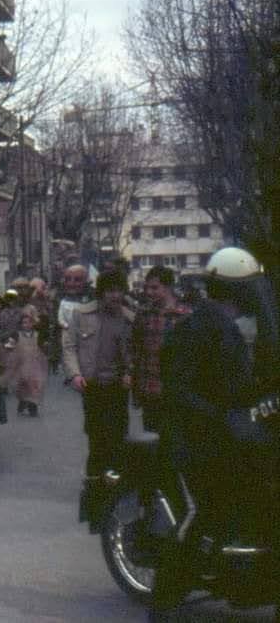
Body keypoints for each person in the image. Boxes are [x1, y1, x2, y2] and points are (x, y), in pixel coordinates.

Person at [152, 247, 280, 615]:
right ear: (230, 290)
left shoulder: (242, 325)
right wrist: (220, 416)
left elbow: (244, 385)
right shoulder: (196, 328)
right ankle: (165, 604)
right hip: (193, 440)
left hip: (232, 437)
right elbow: (179, 390)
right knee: (199, 514)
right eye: (246, 288)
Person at [62, 269, 133, 518]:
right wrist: (75, 374)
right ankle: (94, 494)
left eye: (119, 291)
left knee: (119, 437)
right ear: (101, 292)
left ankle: (117, 490)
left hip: (116, 387)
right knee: (96, 437)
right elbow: (69, 346)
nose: (116, 296)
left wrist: (129, 373)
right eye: (111, 291)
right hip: (92, 387)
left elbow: (133, 353)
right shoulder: (81, 314)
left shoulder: (127, 319)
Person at [129, 266, 191, 432]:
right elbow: (136, 351)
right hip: (149, 389)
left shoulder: (185, 315)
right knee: (152, 440)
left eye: (154, 287)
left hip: (177, 391)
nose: (149, 292)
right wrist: (136, 388)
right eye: (147, 287)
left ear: (169, 287)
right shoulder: (143, 314)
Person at [4, 305, 48, 416]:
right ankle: (22, 402)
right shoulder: (16, 335)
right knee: (22, 386)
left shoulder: (38, 335)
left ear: (33, 324)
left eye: (29, 323)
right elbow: (10, 345)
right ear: (21, 324)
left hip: (35, 365)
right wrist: (8, 347)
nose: (26, 325)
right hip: (21, 365)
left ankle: (33, 407)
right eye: (24, 323)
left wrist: (45, 350)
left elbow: (42, 347)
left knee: (34, 386)